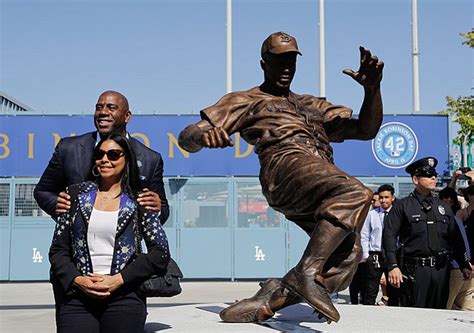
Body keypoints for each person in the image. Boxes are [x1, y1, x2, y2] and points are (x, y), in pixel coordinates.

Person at [178, 31, 384, 323]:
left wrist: (372, 90)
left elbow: (365, 130)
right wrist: (202, 136)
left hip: (317, 173)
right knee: (355, 192)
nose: (286, 67)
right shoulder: (246, 100)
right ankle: (306, 272)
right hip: (284, 167)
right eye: (278, 61)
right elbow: (187, 136)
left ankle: (274, 296)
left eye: (290, 61)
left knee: (346, 258)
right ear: (264, 63)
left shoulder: (312, 105)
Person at [49, 133, 170, 332]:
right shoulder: (73, 195)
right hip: (78, 297)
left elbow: (161, 253)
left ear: (127, 159)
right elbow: (58, 250)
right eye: (100, 154)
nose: (105, 159)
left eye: (114, 154)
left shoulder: (141, 200)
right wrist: (78, 280)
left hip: (125, 296)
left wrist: (118, 279)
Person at [34, 90, 169, 223]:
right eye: (99, 107)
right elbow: (43, 191)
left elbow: (162, 210)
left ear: (127, 116)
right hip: (75, 242)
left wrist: (157, 209)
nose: (103, 112)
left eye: (111, 108)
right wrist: (57, 205)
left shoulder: (150, 159)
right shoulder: (68, 149)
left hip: (122, 243)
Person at [383, 157, 471, 309]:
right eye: (428, 175)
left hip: (441, 270)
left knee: (439, 315)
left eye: (434, 175)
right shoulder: (403, 206)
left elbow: (455, 237)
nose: (433, 178)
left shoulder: (443, 207)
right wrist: (392, 265)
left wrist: (464, 263)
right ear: (415, 179)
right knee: (415, 316)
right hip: (414, 271)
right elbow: (389, 236)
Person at [359, 184, 395, 305]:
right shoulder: (372, 214)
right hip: (375, 254)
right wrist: (366, 255)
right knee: (370, 289)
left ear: (392, 198)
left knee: (393, 288)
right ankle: (367, 316)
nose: (383, 200)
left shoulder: (397, 214)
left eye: (386, 197)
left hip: (392, 254)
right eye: (381, 197)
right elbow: (364, 235)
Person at [447, 184, 474, 310]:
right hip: (462, 265)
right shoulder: (459, 215)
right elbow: (461, 241)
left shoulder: (455, 220)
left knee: (450, 306)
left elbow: (460, 241)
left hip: (462, 266)